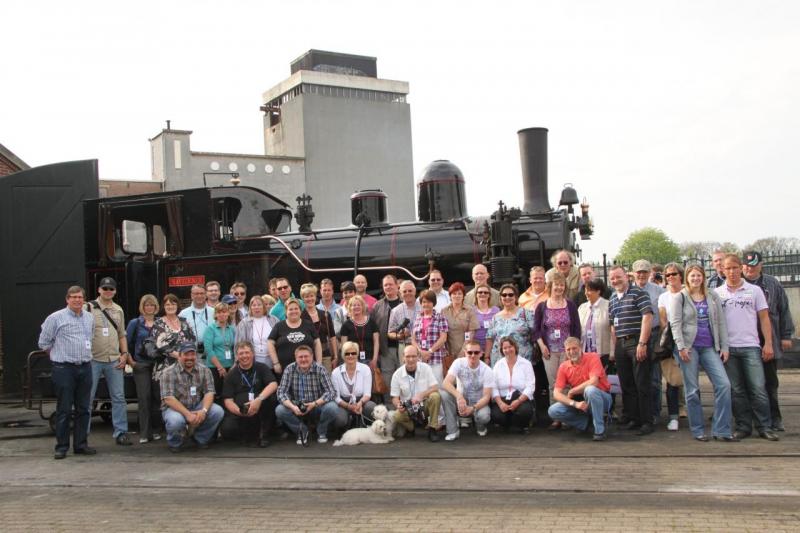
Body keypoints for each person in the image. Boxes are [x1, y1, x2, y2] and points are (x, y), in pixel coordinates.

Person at [715, 254, 778, 441]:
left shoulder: (754, 291)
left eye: (735, 267)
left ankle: (764, 427)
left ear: (741, 268)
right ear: (722, 270)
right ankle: (743, 426)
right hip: (728, 349)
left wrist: (768, 343)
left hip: (751, 346)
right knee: (736, 390)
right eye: (728, 268)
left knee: (758, 388)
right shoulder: (717, 293)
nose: (732, 272)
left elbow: (764, 318)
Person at [670, 265, 735, 442]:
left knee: (724, 385)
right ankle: (697, 429)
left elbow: (721, 322)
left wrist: (724, 347)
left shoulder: (712, 296)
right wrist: (681, 347)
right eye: (692, 276)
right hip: (689, 348)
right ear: (686, 278)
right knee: (692, 390)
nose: (696, 279)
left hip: (709, 347)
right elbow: (675, 324)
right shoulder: (680, 297)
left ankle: (721, 429)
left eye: (699, 275)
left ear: (703, 277)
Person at [38, 286, 96, 459]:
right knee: (64, 409)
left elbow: (91, 338)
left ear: (84, 299)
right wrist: (58, 356)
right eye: (73, 297)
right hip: (64, 369)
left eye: (80, 297)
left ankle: (81, 445)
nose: (77, 300)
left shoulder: (89, 318)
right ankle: (62, 447)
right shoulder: (55, 318)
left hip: (85, 367)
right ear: (67, 299)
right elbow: (44, 342)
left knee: (84, 409)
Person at [742, 250, 794, 432]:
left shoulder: (772, 283)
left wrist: (786, 335)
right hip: (745, 341)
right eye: (746, 265)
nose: (749, 269)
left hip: (768, 339)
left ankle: (775, 418)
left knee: (770, 382)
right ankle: (748, 419)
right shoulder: (736, 284)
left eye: (753, 265)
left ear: (761, 265)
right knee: (746, 384)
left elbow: (783, 309)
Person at [608, 265, 654, 435]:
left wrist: (642, 343)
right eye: (612, 278)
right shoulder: (613, 298)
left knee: (642, 383)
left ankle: (646, 421)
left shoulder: (639, 293)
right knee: (626, 384)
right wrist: (615, 348)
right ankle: (633, 418)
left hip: (636, 341)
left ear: (626, 276)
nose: (615, 280)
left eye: (618, 277)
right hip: (620, 344)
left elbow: (647, 317)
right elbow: (612, 325)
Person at [86, 277, 131, 446]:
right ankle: (83, 435)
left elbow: (122, 335)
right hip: (93, 359)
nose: (108, 291)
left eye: (111, 289)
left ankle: (121, 432)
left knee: (119, 397)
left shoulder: (118, 310)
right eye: (105, 288)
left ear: (115, 291)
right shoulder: (88, 308)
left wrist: (124, 354)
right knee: (88, 397)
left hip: (113, 359)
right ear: (99, 290)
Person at [160, 342, 224, 452]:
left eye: (192, 354)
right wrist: (187, 414)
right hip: (175, 409)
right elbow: (168, 398)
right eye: (186, 354)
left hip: (196, 406)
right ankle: (175, 443)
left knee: (217, 411)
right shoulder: (168, 372)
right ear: (179, 355)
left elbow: (209, 392)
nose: (190, 358)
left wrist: (203, 411)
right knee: (175, 421)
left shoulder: (204, 370)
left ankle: (200, 438)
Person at [548, 337, 613, 441]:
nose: (571, 352)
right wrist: (574, 403)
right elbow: (556, 393)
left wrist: (572, 391)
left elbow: (594, 382)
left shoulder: (593, 357)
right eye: (568, 349)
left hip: (602, 398)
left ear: (581, 347)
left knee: (590, 390)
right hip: (581, 401)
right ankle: (586, 423)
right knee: (553, 410)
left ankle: (599, 430)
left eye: (574, 348)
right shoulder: (563, 366)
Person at [532, 272, 581, 409]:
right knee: (553, 384)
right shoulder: (542, 306)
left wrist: (574, 349)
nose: (559, 287)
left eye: (562, 285)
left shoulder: (570, 305)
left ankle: (568, 413)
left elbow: (576, 328)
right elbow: (536, 330)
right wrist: (542, 346)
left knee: (567, 383)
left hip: (567, 351)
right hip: (549, 352)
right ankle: (556, 414)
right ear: (550, 286)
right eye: (556, 285)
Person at [275, 345, 339, 445]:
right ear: (296, 358)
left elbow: (331, 392)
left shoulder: (320, 369)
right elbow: (281, 392)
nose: (303, 359)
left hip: (316, 405)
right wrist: (292, 406)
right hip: (297, 406)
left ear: (312, 356)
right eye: (300, 357)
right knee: (280, 410)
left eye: (306, 356)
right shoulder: (289, 369)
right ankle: (302, 431)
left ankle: (321, 431)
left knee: (332, 408)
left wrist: (314, 404)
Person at [220, 341, 278, 447]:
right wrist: (239, 412)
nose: (244, 356)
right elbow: (228, 400)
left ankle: (264, 434)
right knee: (227, 430)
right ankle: (246, 435)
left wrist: (258, 400)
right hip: (240, 411)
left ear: (253, 353)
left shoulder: (262, 367)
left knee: (272, 399)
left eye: (247, 352)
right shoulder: (231, 374)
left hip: (260, 408)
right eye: (241, 353)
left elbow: (273, 384)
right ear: (237, 356)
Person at [631, 259, 667, 425]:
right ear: (634, 273)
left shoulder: (659, 291)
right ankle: (639, 413)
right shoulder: (628, 290)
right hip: (634, 336)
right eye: (639, 272)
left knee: (654, 378)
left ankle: (654, 412)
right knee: (637, 378)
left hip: (653, 335)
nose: (641, 275)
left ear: (650, 273)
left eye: (645, 272)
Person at [440, 340, 494, 440]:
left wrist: (473, 408)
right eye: (470, 352)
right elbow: (446, 383)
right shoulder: (458, 362)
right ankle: (453, 431)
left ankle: (480, 426)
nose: (473, 355)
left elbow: (487, 397)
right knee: (444, 394)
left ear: (481, 353)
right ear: (465, 353)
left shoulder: (487, 370)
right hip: (461, 400)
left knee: (484, 416)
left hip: (478, 402)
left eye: (476, 352)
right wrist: (459, 396)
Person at [126, 294, 162, 444]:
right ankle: (144, 433)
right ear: (142, 307)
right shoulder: (135, 323)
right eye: (147, 305)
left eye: (152, 305)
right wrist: (131, 362)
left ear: (156, 307)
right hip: (141, 365)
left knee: (157, 397)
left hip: (157, 365)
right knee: (144, 397)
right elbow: (126, 343)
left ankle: (156, 430)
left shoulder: (160, 323)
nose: (149, 307)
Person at [391, 345, 443, 442]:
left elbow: (435, 387)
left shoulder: (426, 368)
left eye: (413, 356)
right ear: (403, 357)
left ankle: (433, 428)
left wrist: (422, 395)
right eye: (408, 356)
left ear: (418, 357)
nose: (411, 359)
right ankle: (411, 428)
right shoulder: (397, 374)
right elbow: (394, 397)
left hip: (424, 404)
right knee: (397, 416)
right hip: (408, 408)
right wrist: (398, 405)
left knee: (435, 396)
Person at [655, 263, 684, 431]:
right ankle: (673, 416)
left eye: (674, 274)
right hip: (671, 342)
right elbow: (663, 320)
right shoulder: (663, 297)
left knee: (690, 381)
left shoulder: (687, 293)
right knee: (672, 381)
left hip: (690, 341)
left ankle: (692, 412)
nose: (670, 277)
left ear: (680, 275)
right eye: (667, 275)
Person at [490, 337, 536, 434]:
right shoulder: (498, 365)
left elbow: (531, 386)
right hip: (503, 398)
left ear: (515, 347)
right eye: (504, 348)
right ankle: (507, 423)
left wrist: (519, 401)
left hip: (521, 397)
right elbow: (493, 386)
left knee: (525, 411)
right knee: (496, 415)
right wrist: (500, 403)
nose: (508, 350)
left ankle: (522, 425)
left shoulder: (526, 364)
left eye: (510, 347)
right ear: (501, 350)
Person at [331, 341, 376, 432]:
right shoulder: (336, 372)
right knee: (340, 419)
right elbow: (336, 397)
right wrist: (348, 406)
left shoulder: (365, 369)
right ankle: (346, 427)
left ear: (357, 354)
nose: (350, 356)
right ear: (343, 355)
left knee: (372, 408)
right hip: (344, 403)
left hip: (362, 401)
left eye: (353, 353)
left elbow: (367, 394)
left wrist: (360, 404)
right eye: (347, 353)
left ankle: (366, 425)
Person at [485, 284, 535, 366]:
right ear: (500, 298)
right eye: (504, 295)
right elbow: (490, 338)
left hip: (522, 358)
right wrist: (486, 357)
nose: (507, 297)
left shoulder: (526, 314)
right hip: (500, 360)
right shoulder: (495, 317)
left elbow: (536, 333)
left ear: (516, 297)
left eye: (510, 295)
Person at [371, 275, 403, 401]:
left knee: (404, 377)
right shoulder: (377, 306)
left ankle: (404, 406)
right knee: (387, 379)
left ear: (397, 285)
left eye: (391, 284)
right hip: (385, 349)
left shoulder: (404, 303)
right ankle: (390, 407)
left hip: (403, 347)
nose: (388, 287)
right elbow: (373, 329)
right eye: (386, 285)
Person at [268, 298, 322, 373]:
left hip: (309, 369)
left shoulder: (308, 324)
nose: (294, 311)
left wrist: (319, 363)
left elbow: (317, 343)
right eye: (290, 309)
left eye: (296, 309)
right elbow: (270, 342)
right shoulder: (279, 326)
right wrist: (276, 363)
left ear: (300, 310)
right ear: (286, 311)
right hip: (285, 370)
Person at [149, 293, 196, 374]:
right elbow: (160, 344)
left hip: (185, 364)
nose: (170, 307)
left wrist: (187, 356)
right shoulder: (158, 323)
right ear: (163, 307)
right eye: (167, 304)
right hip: (166, 366)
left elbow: (192, 339)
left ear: (177, 306)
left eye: (173, 304)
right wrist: (178, 355)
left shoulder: (184, 321)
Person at [411, 289, 449, 383]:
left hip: (435, 358)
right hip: (420, 358)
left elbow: (443, 338)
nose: (426, 304)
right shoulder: (418, 318)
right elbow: (413, 339)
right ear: (421, 303)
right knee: (421, 384)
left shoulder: (440, 317)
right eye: (424, 302)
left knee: (437, 384)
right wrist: (420, 352)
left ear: (433, 303)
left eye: (429, 302)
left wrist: (430, 351)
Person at [301, 283, 338, 371]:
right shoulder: (300, 317)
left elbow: (332, 336)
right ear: (302, 299)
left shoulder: (325, 314)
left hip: (325, 355)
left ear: (315, 297)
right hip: (307, 356)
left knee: (327, 378)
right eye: (306, 297)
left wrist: (335, 356)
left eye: (311, 296)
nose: (309, 299)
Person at [203, 302, 237, 397]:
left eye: (224, 312)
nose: (222, 314)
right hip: (214, 368)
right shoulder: (210, 329)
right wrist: (220, 367)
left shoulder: (232, 329)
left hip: (230, 367)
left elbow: (235, 348)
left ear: (228, 313)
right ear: (215, 314)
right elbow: (208, 350)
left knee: (229, 394)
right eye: (219, 312)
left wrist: (234, 365)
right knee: (216, 394)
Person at [235, 295, 279, 368]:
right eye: (254, 305)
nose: (256, 307)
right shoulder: (244, 323)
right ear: (250, 307)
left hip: (273, 361)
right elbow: (238, 344)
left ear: (263, 306)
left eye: (259, 305)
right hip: (252, 362)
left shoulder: (274, 320)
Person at [340, 295, 380, 372]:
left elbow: (376, 342)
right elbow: (344, 346)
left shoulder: (371, 322)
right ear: (350, 308)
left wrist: (375, 359)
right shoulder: (346, 325)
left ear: (363, 307)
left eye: (359, 305)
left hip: (370, 360)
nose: (356, 307)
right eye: (354, 305)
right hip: (353, 360)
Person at [441, 282, 479, 360]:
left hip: (466, 352)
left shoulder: (470, 310)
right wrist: (445, 350)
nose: (457, 296)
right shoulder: (444, 311)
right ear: (450, 296)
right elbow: (441, 333)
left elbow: (471, 332)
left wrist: (463, 352)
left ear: (463, 296)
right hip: (448, 353)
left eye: (459, 293)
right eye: (454, 294)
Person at [578, 279, 612, 367]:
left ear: (598, 291)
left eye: (589, 290)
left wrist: (613, 351)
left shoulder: (608, 306)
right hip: (585, 353)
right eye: (585, 290)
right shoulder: (582, 308)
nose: (586, 293)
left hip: (603, 353)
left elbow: (613, 330)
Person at [387, 280, 421, 366]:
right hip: (404, 345)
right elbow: (390, 333)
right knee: (405, 371)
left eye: (410, 291)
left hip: (421, 345)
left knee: (422, 371)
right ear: (400, 293)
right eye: (404, 291)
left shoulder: (423, 307)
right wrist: (400, 336)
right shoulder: (395, 311)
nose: (407, 293)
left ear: (415, 291)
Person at [472, 284, 500, 353]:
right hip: (475, 350)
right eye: (480, 292)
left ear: (489, 295)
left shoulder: (496, 310)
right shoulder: (471, 311)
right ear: (476, 295)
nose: (483, 294)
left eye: (486, 292)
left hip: (493, 349)